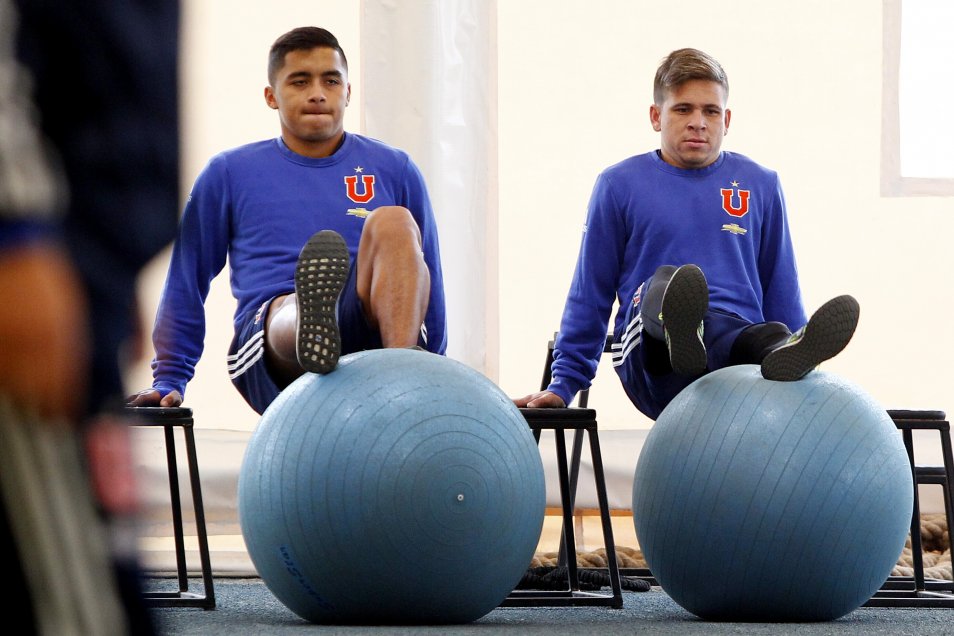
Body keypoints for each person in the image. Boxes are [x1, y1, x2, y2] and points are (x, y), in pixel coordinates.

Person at [515, 48, 859, 420]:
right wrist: (562, 384)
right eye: (683, 109)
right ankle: (689, 332)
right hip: (654, 361)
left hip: (737, 361)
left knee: (763, 333)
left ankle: (779, 349)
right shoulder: (618, 185)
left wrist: (799, 377)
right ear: (655, 116)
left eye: (710, 111)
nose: (698, 122)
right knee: (667, 283)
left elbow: (781, 286)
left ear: (726, 120)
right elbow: (590, 291)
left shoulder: (761, 184)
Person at [127, 26, 447, 416]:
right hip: (273, 341)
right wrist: (170, 378)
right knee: (288, 308)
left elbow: (428, 274)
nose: (317, 92)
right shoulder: (229, 172)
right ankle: (311, 324)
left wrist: (438, 371)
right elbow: (186, 279)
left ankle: (402, 378)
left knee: (394, 222)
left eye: (331, 80)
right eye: (300, 81)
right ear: (271, 96)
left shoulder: (395, 168)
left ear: (347, 92)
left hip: (375, 325)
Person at [2, 0, 180, 633]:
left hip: (85, 249)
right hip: (35, 246)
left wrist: (118, 260)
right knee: (81, 596)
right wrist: (16, 230)